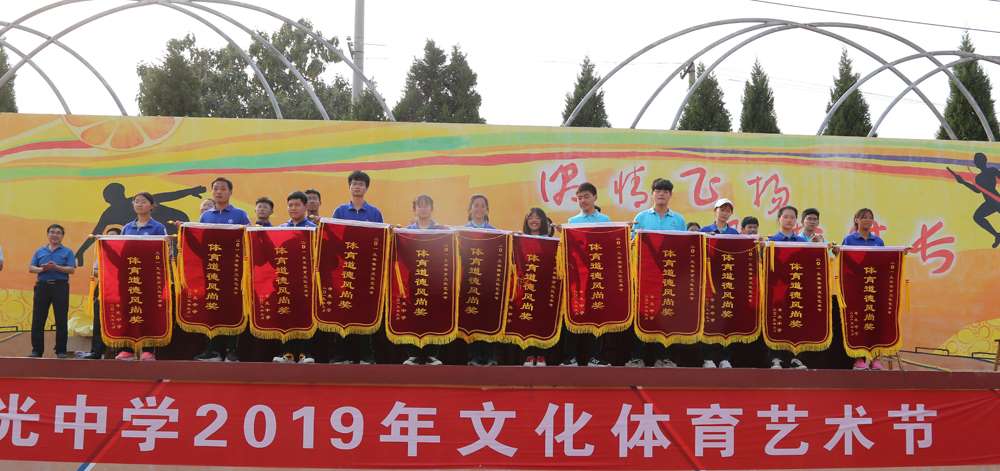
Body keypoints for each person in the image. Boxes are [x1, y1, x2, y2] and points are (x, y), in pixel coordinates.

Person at [628, 178, 685, 368]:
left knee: (665, 315)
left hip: (668, 275)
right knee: (643, 314)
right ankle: (637, 357)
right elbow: (633, 244)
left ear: (670, 195)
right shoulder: (641, 217)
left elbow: (684, 247)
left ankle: (664, 357)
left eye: (665, 191)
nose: (661, 194)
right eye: (658, 190)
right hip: (645, 275)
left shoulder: (678, 220)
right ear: (652, 194)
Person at [330, 171, 384, 365]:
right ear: (349, 187)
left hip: (365, 270)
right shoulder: (340, 211)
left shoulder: (374, 213)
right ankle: (341, 354)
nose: (357, 187)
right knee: (342, 311)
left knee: (364, 312)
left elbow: (380, 239)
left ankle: (366, 355)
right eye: (354, 183)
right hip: (344, 270)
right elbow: (333, 237)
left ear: (366, 188)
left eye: (361, 184)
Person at [195, 177, 251, 362]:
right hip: (212, 270)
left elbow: (249, 239)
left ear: (230, 192)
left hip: (233, 270)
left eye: (223, 189)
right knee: (212, 309)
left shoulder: (240, 214)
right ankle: (212, 350)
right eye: (215, 189)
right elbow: (200, 240)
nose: (218, 192)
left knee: (232, 309)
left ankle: (231, 350)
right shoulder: (206, 216)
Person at [561, 183, 611, 367]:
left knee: (597, 315)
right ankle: (572, 356)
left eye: (586, 196)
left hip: (598, 275)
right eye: (579, 197)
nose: (583, 200)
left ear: (595, 197)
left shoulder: (605, 220)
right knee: (575, 314)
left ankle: (595, 356)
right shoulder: (572, 221)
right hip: (578, 276)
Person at [114, 193, 169, 361]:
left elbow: (164, 251)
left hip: (150, 276)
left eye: (143, 202)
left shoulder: (158, 227)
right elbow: (121, 250)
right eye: (136, 201)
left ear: (151, 206)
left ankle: (148, 350)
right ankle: (128, 349)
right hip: (130, 275)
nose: (139, 204)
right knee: (129, 310)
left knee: (149, 312)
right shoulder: (127, 228)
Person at [272, 192, 318, 364]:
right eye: (290, 205)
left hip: (307, 281)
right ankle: (288, 353)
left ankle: (306, 353)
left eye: (297, 205)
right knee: (286, 315)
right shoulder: (281, 229)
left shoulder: (314, 229)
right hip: (286, 280)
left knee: (306, 317)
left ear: (305, 207)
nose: (293, 208)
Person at [403, 194, 448, 366]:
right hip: (413, 280)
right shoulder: (407, 231)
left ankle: (431, 354)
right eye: (419, 205)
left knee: (433, 316)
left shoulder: (441, 230)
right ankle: (413, 354)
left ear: (432, 208)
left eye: (426, 205)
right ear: (414, 209)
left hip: (433, 280)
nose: (423, 209)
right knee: (412, 316)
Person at [841, 208, 887, 371]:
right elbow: (844, 262)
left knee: (875, 322)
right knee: (858, 322)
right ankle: (859, 359)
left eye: (870, 217)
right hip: (855, 287)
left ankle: (875, 359)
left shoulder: (878, 241)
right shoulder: (849, 240)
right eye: (863, 217)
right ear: (856, 220)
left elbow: (884, 262)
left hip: (873, 287)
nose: (867, 220)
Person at [767, 205, 809, 369]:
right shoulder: (771, 241)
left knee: (795, 321)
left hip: (796, 288)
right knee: (776, 322)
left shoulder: (802, 242)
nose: (789, 220)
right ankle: (775, 357)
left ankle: (795, 357)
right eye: (786, 217)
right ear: (779, 219)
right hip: (777, 289)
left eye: (792, 217)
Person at [28, 224, 76, 358]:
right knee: (38, 319)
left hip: (60, 287)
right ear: (48, 234)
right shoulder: (39, 251)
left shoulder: (68, 252)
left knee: (61, 319)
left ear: (62, 236)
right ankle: (37, 350)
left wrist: (56, 267)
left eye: (58, 233)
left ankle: (61, 350)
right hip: (42, 287)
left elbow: (71, 269)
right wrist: (42, 269)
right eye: (52, 232)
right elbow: (31, 268)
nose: (55, 235)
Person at [464, 195, 498, 366]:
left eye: (482, 205)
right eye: (475, 205)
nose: (479, 208)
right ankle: (474, 356)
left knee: (488, 318)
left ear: (487, 210)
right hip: (469, 282)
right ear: (470, 209)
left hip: (488, 283)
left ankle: (490, 356)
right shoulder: (462, 231)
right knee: (472, 319)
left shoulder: (495, 232)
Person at [520, 208, 554, 366]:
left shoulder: (550, 241)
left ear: (543, 221)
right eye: (530, 218)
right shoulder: (521, 239)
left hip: (543, 286)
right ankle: (528, 355)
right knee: (527, 320)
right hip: (527, 286)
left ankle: (541, 355)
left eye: (537, 218)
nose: (534, 220)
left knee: (542, 320)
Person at [83, 227, 121, 359]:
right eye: (108, 236)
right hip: (102, 288)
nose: (109, 238)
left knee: (116, 319)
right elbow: (95, 272)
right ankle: (96, 351)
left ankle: (118, 351)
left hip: (118, 289)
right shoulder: (101, 252)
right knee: (98, 320)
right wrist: (104, 271)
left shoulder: (123, 252)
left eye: (113, 236)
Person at [948, 152, 1000, 248]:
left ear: (983, 161)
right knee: (977, 217)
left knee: (977, 217)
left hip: (996, 200)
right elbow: (977, 190)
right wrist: (963, 182)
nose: (975, 162)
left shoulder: (992, 170)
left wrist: (963, 182)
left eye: (976, 161)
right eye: (975, 161)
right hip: (989, 202)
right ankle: (997, 235)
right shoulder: (978, 177)